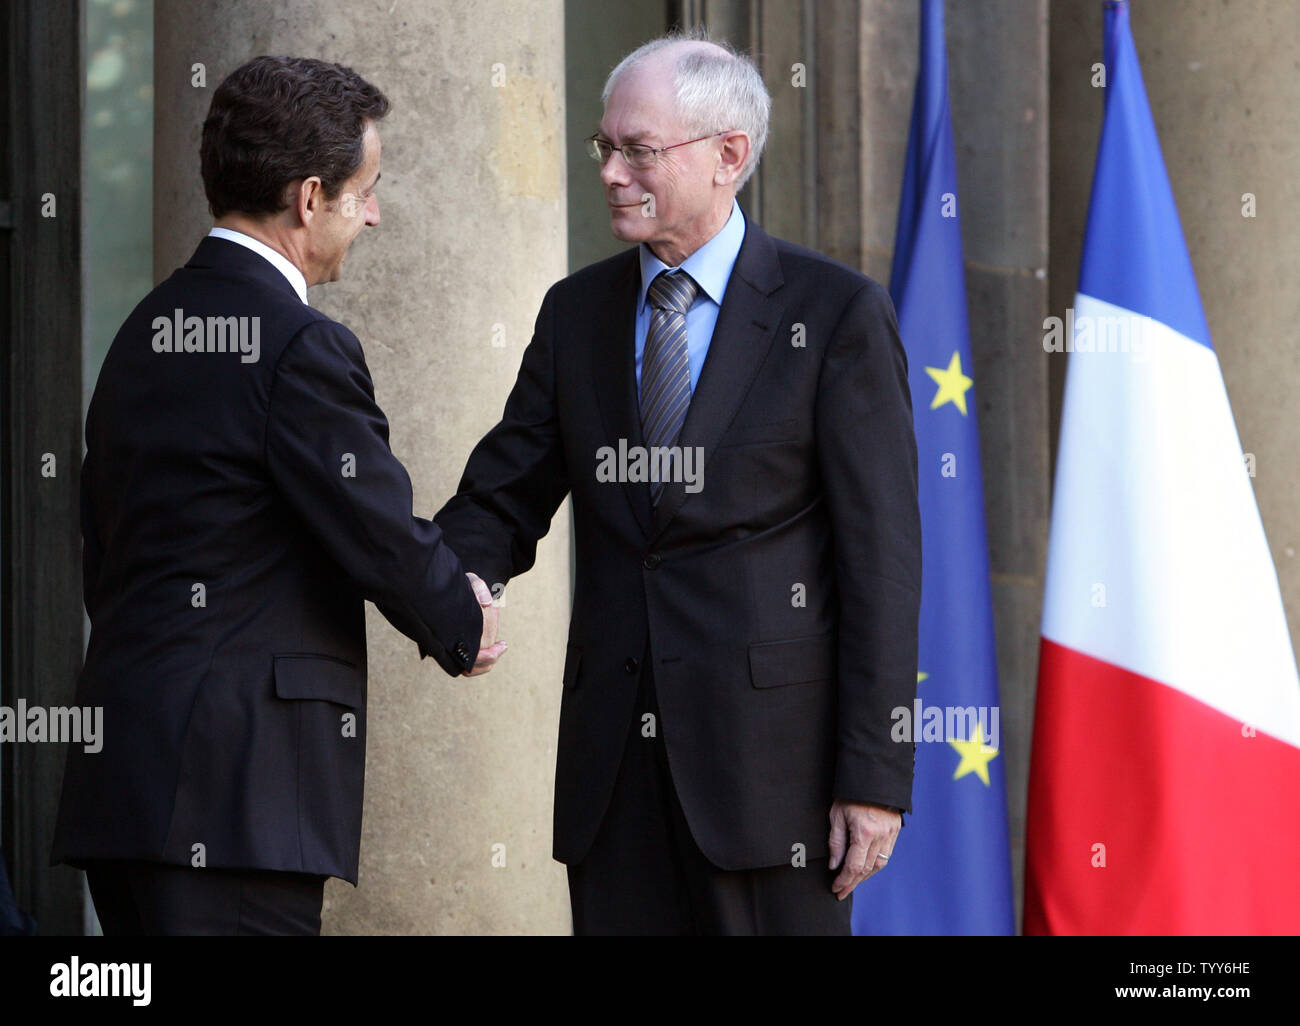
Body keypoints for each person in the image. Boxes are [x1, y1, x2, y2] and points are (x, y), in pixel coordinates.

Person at [435, 32, 921, 935]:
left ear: (727, 155)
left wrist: (875, 776)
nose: (613, 172)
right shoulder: (575, 312)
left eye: (638, 150)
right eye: (604, 148)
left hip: (775, 787)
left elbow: (883, 564)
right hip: (613, 780)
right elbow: (503, 493)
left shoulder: (834, 313)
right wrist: (455, 582)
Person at [50, 55, 505, 936]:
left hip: (126, 792)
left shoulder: (144, 332)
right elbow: (376, 529)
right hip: (236, 804)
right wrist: (462, 615)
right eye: (363, 190)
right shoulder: (299, 344)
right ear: (308, 198)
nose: (372, 211)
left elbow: (101, 551)